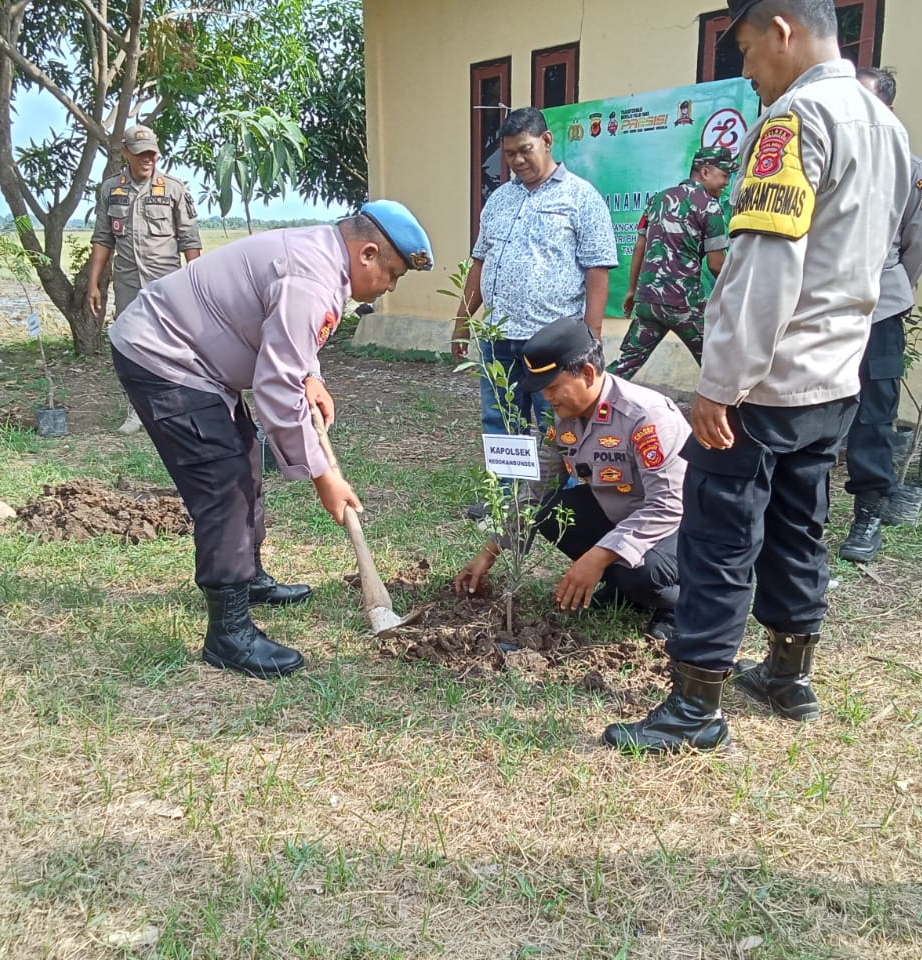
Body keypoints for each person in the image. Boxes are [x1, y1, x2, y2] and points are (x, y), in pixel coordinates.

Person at [602, 0, 912, 754]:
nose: (746, 75)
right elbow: (886, 254)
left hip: (765, 383)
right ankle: (788, 673)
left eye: (744, 51)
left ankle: (695, 706)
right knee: (801, 525)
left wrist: (721, 382)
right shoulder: (888, 127)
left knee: (720, 534)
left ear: (782, 29)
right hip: (835, 376)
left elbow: (767, 268)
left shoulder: (798, 120)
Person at [109, 201, 433, 679]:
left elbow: (289, 342)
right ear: (367, 253)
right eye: (392, 274)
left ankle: (249, 578)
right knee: (223, 482)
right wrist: (324, 477)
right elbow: (276, 389)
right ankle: (229, 632)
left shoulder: (321, 258)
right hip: (165, 357)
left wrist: (312, 375)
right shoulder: (312, 280)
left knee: (245, 458)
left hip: (197, 362)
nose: (389, 287)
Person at [453, 318, 690, 641]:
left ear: (588, 374)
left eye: (552, 387)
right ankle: (620, 586)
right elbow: (537, 490)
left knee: (644, 575)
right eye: (542, 390)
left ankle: (678, 605)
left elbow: (668, 506)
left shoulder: (645, 416)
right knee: (550, 512)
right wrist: (489, 551)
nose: (547, 398)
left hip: (682, 530)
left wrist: (598, 556)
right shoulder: (564, 419)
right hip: (624, 519)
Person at [451, 107, 617, 517]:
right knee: (501, 420)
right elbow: (479, 263)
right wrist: (462, 321)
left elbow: (597, 270)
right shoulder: (499, 200)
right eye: (509, 154)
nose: (518, 161)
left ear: (547, 142)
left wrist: (591, 337)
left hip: (553, 341)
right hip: (499, 337)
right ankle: (506, 501)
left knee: (555, 422)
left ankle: (554, 503)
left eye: (525, 150)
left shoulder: (581, 197)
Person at [838, 66, 922, 562]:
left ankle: (868, 515)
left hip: (879, 311)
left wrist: (891, 287)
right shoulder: (830, 161)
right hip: (828, 312)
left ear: (888, 109)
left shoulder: (910, 169)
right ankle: (803, 514)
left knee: (874, 416)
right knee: (817, 409)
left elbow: (919, 244)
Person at [88, 124, 203, 434]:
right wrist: (93, 283)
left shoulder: (173, 189)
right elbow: (103, 239)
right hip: (127, 284)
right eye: (140, 154)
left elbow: (190, 240)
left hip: (166, 283)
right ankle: (136, 410)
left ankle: (175, 407)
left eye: (152, 153)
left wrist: (196, 286)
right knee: (130, 345)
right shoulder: (111, 189)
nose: (147, 159)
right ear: (125, 153)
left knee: (172, 344)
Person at [610, 146, 735, 379]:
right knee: (718, 369)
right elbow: (717, 265)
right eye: (725, 175)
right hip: (684, 304)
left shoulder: (657, 198)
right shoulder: (710, 205)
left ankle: (585, 406)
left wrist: (631, 290)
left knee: (624, 367)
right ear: (705, 172)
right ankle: (736, 415)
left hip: (648, 302)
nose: (727, 182)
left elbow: (640, 246)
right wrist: (736, 293)